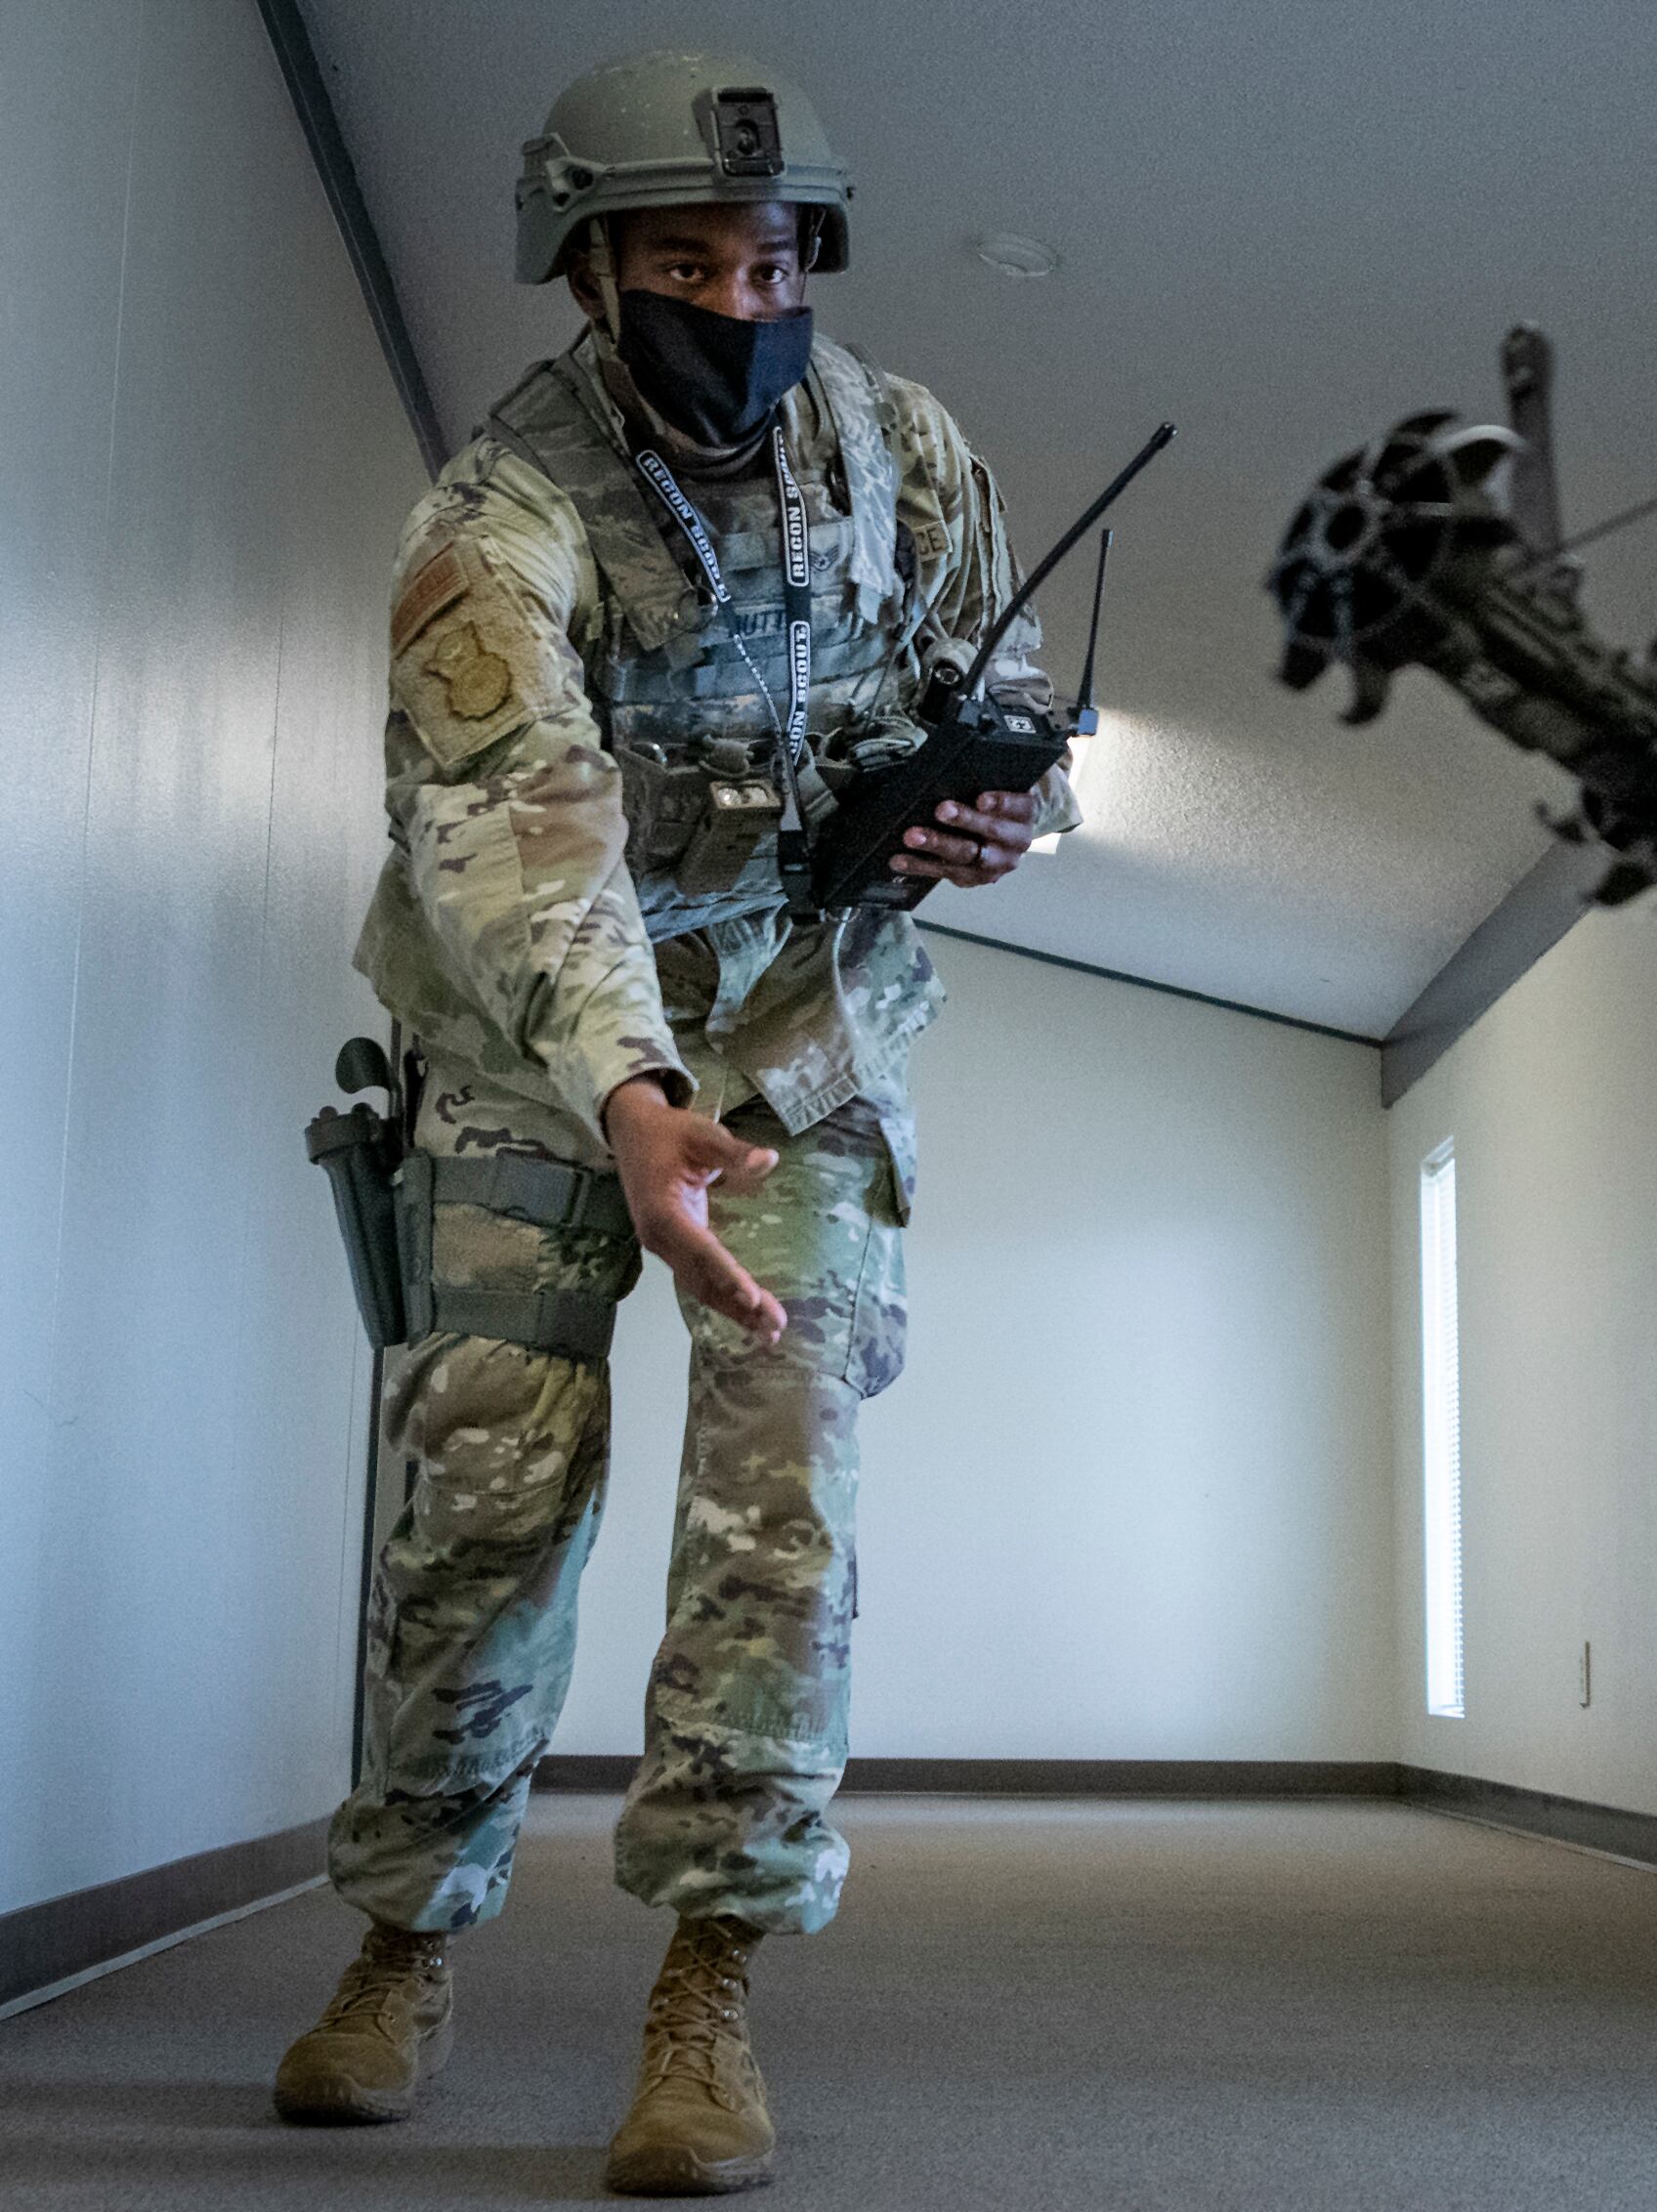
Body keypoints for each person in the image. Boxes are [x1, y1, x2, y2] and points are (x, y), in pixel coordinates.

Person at [268, 50, 1072, 2195]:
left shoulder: (907, 452)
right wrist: (628, 1094)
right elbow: (516, 832)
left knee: (778, 1494)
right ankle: (403, 1935)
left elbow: (984, 695)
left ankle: (710, 1984)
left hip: (798, 1035)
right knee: (482, 1492)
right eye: (691, 264)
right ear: (590, 268)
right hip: (536, 1045)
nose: (745, 299)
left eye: (776, 260)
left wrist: (997, 808)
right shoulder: (494, 519)